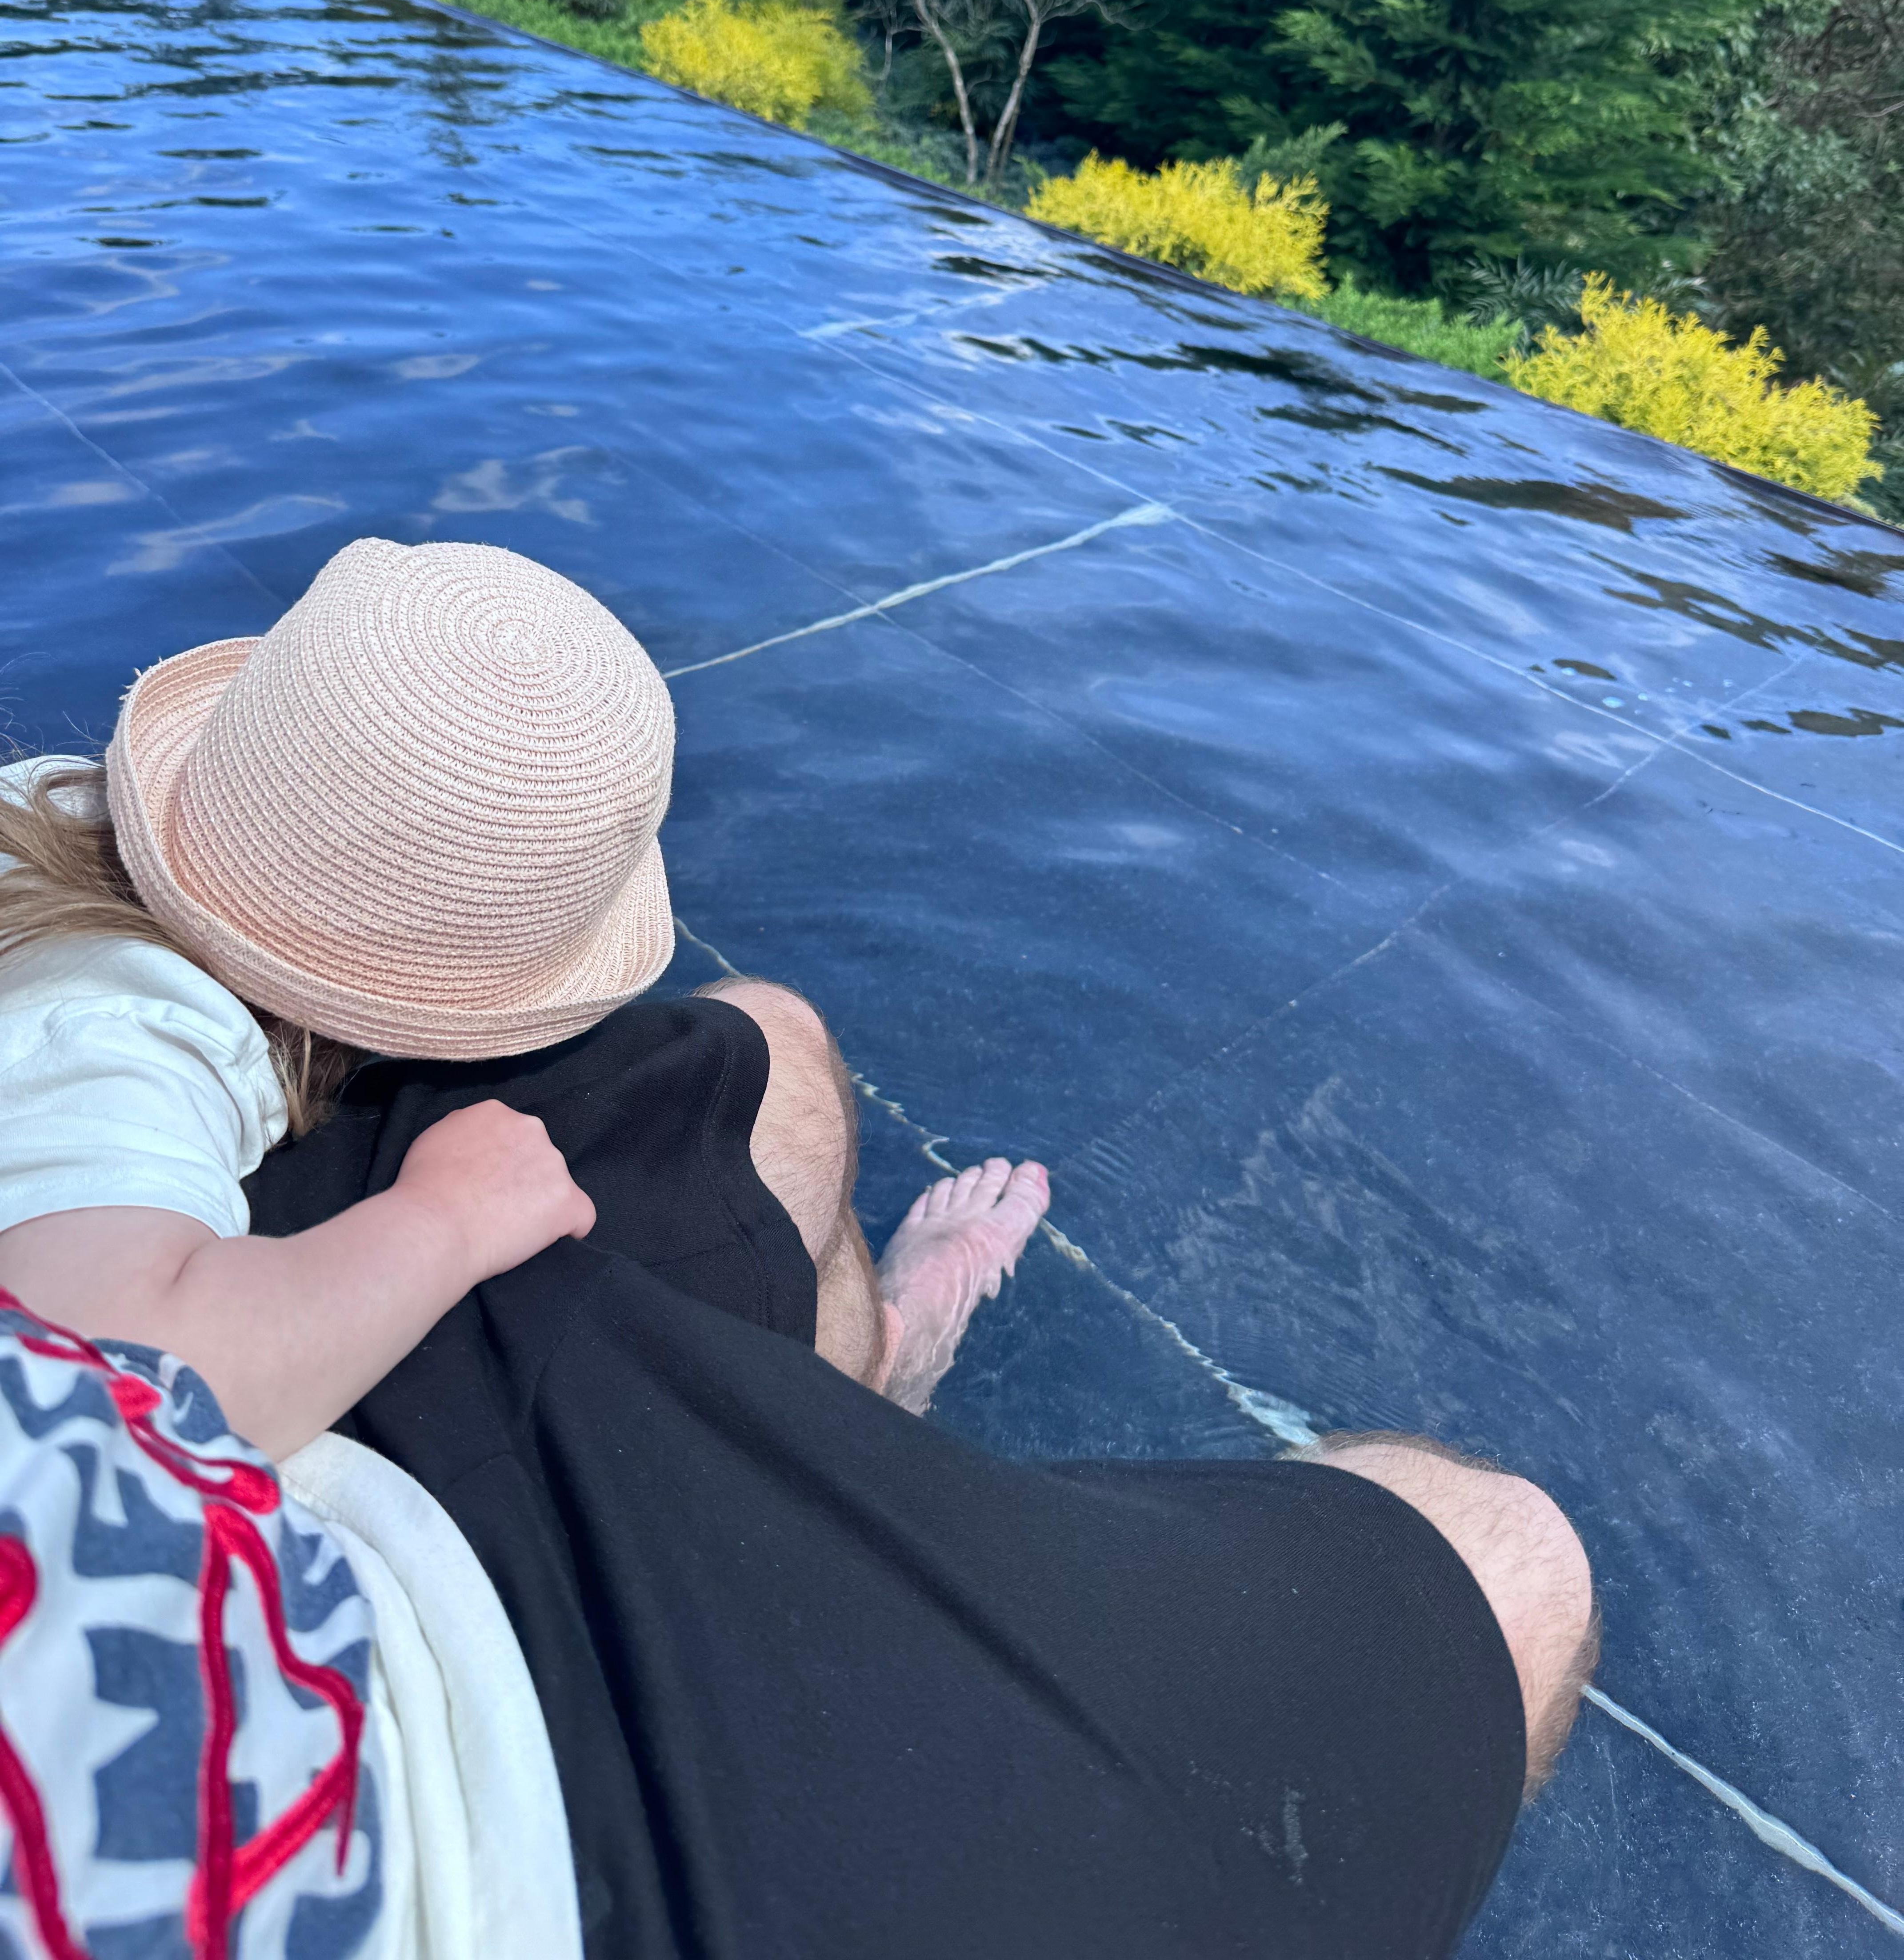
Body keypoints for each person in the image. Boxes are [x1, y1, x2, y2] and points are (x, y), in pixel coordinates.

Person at [0, 536, 1596, 1960]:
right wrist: (438, 1220)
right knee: (1513, 1566)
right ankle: (858, 1400)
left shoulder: (57, 869)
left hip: (236, 1594)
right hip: (515, 1830)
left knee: (757, 1055)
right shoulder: (119, 1026)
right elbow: (133, 1369)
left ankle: (856, 1370)